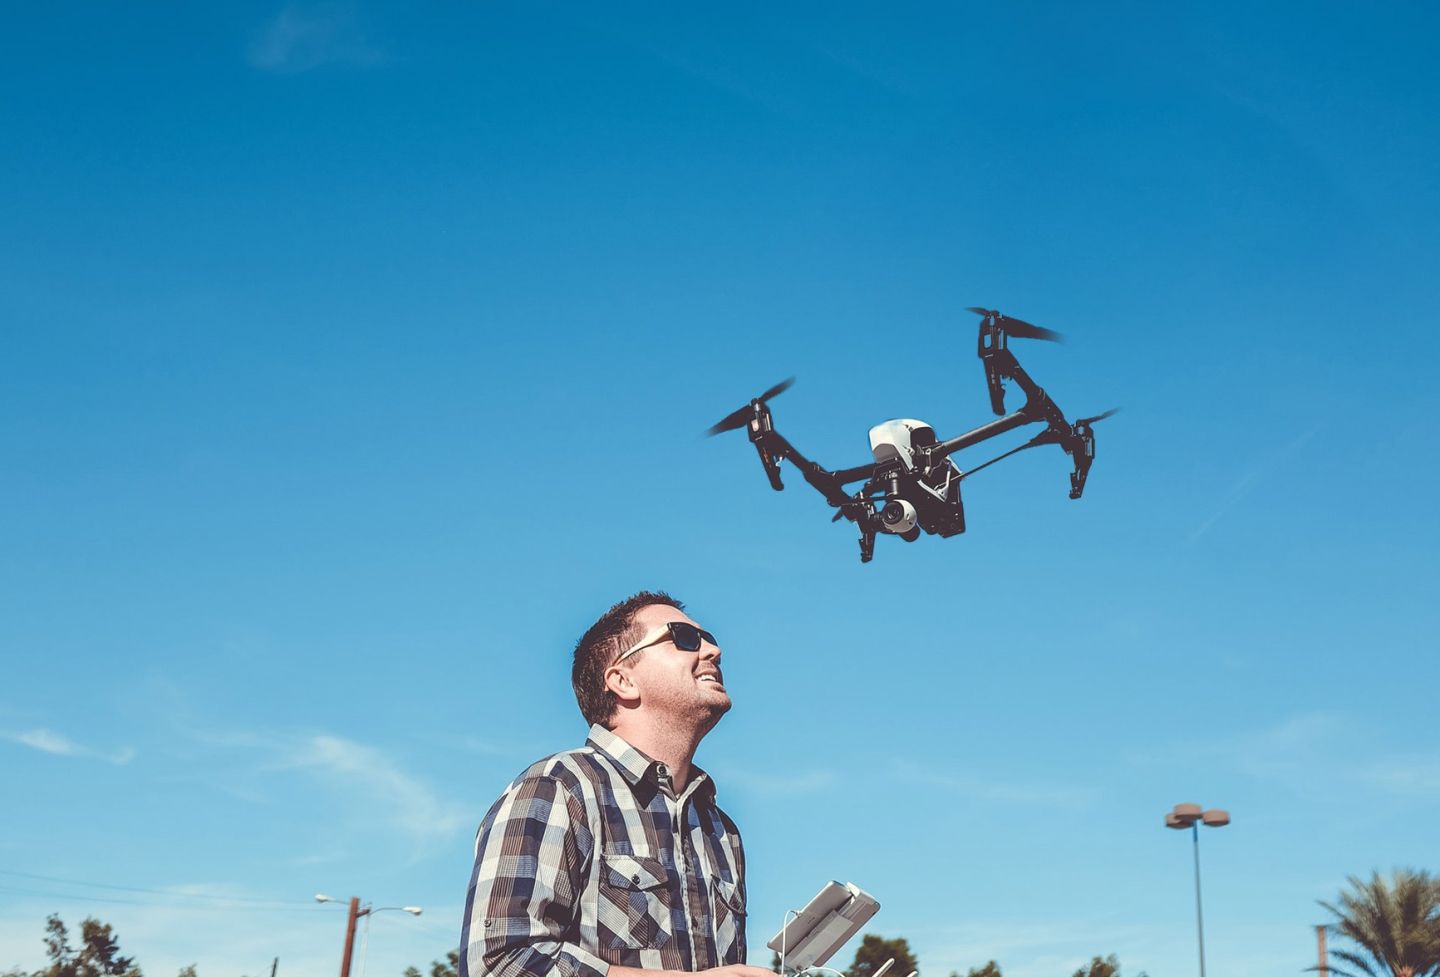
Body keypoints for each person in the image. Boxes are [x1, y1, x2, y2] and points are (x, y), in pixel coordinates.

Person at [461, 591, 772, 977]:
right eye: (684, 638)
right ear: (623, 680)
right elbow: (500, 963)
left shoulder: (722, 831)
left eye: (707, 637)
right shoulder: (559, 788)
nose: (714, 649)